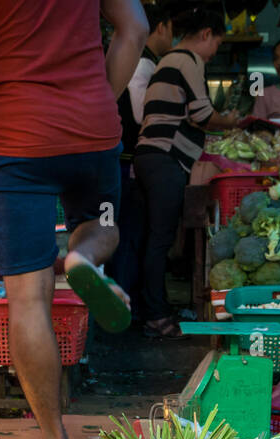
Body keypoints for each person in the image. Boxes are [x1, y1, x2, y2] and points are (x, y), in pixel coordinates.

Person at [0, 0, 149, 439]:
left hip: (15, 142)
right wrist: (94, 100)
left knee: (29, 300)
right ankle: (83, 256)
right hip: (92, 135)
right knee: (101, 224)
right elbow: (135, 29)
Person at [134, 6, 241, 339]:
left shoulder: (171, 61)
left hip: (152, 158)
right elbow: (203, 113)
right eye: (216, 46)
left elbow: (191, 117)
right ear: (206, 35)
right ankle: (155, 316)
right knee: (159, 239)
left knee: (154, 238)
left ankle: (153, 308)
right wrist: (232, 120)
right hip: (163, 159)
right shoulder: (187, 60)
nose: (213, 55)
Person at [109, 4, 175, 315]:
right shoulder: (142, 64)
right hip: (125, 162)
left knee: (126, 234)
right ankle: (127, 308)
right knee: (129, 234)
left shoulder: (139, 60)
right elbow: (140, 114)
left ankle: (124, 304)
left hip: (121, 160)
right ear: (160, 27)